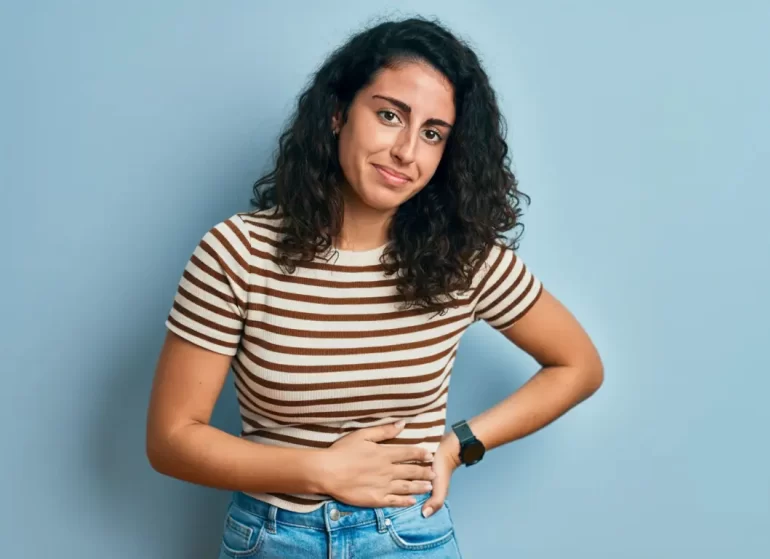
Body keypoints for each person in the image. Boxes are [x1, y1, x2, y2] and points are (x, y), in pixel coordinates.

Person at [145, 16, 603, 559]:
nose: (407, 150)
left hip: (407, 538)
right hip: (272, 539)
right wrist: (319, 469)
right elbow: (171, 439)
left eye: (432, 133)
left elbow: (579, 366)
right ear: (338, 114)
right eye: (390, 115)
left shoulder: (464, 261)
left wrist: (458, 445)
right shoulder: (237, 252)